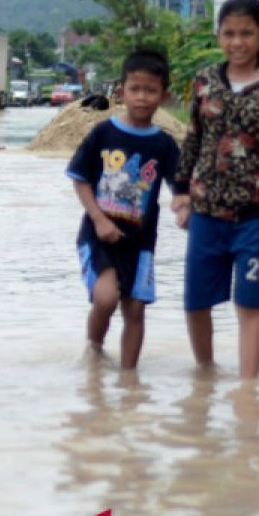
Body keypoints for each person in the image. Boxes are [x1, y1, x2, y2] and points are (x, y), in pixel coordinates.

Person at [172, 0, 259, 379]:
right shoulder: (204, 82)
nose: (238, 42)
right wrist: (180, 191)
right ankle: (206, 376)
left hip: (257, 217)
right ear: (219, 36)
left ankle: (249, 391)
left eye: (247, 33)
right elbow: (193, 140)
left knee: (249, 306)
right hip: (206, 213)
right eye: (229, 33)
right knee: (195, 303)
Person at [67, 49, 181, 369]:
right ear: (122, 93)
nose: (142, 97)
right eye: (135, 89)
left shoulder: (165, 145)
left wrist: (184, 207)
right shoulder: (104, 133)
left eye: (150, 90)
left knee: (136, 309)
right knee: (106, 298)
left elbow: (180, 188)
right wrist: (99, 219)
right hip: (98, 235)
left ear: (164, 96)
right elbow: (80, 179)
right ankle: (94, 350)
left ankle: (129, 377)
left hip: (141, 241)